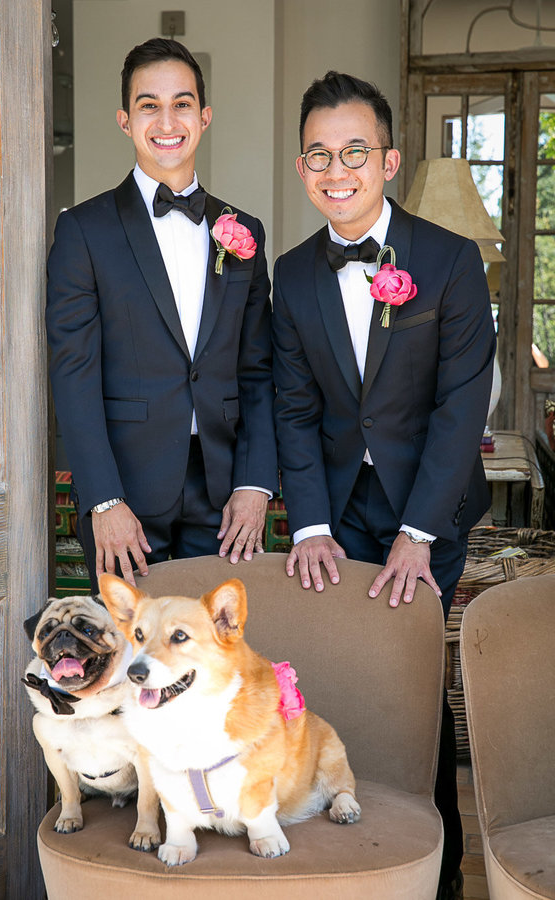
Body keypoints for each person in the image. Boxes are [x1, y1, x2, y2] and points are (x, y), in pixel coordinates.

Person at [272, 72, 496, 900]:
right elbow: (292, 409)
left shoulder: (449, 261)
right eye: (321, 155)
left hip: (427, 510)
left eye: (356, 151)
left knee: (409, 697)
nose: (339, 170)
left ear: (389, 160)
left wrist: (419, 533)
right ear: (303, 168)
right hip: (335, 512)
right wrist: (309, 526)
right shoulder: (292, 276)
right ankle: (342, 872)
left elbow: (459, 406)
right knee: (332, 683)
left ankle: (436, 877)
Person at [46, 38, 277, 592]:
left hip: (223, 498)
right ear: (126, 120)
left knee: (214, 661)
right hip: (126, 494)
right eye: (149, 104)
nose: (166, 119)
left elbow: (259, 371)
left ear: (204, 116)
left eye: (181, 103)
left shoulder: (243, 230)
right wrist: (103, 498)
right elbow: (73, 374)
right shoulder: (84, 231)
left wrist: (255, 484)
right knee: (136, 664)